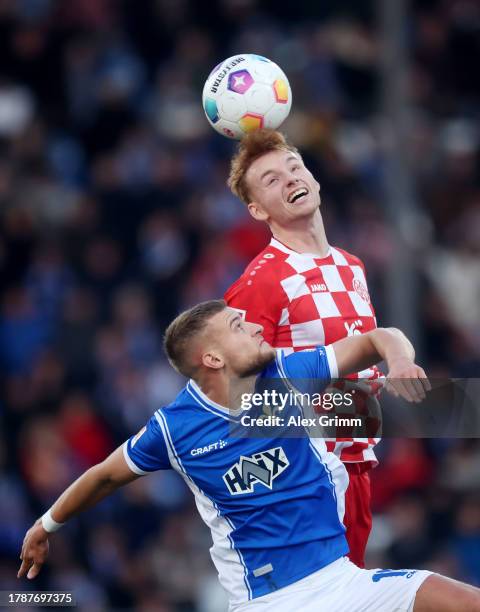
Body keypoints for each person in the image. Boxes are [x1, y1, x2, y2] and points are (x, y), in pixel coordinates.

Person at [18, 300, 480, 612]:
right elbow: (103, 476)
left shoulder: (288, 371)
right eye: (239, 327)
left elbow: (379, 336)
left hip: (344, 582)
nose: (257, 326)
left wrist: (399, 361)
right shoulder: (174, 429)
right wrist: (45, 525)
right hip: (269, 601)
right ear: (213, 360)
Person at [225, 128, 382, 567]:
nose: (291, 179)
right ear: (256, 209)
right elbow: (237, 395)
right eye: (272, 180)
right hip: (304, 477)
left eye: (295, 168)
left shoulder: (352, 266)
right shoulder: (260, 282)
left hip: (355, 463)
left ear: (313, 179)